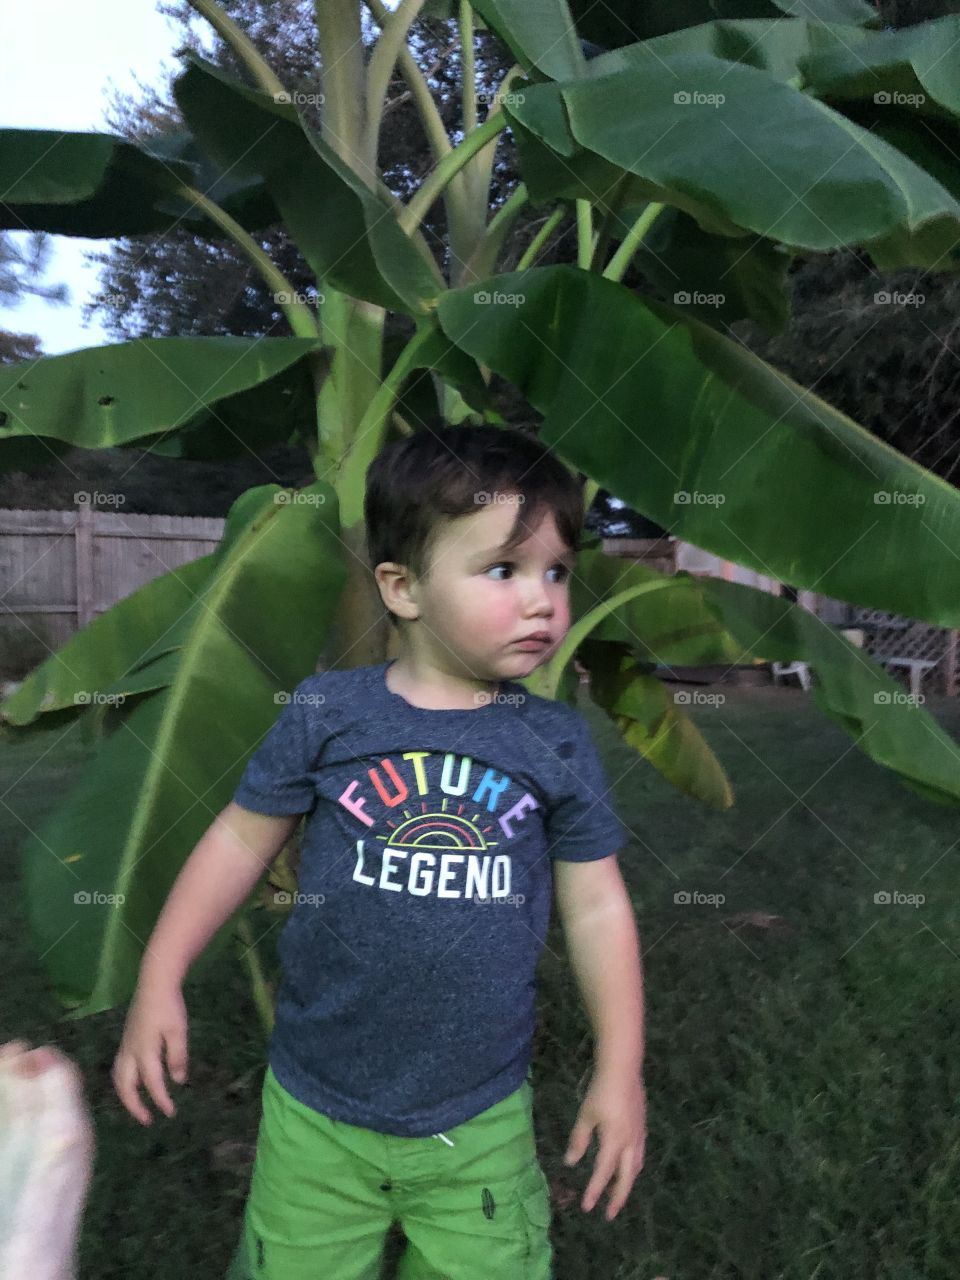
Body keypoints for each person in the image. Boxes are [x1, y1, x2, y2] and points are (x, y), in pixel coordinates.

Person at [112, 425, 647, 1280]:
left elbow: (596, 903)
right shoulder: (329, 713)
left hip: (478, 1123)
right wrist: (158, 975)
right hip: (318, 1114)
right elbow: (239, 841)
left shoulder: (554, 741)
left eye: (556, 571)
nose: (544, 599)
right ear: (400, 587)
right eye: (503, 570)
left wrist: (621, 1072)